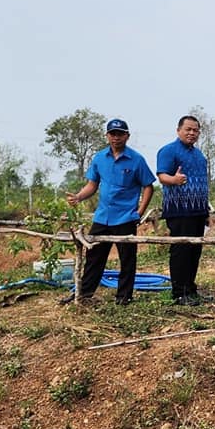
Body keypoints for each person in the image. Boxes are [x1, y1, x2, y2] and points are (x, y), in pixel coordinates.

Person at [65, 118, 155, 305]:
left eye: (120, 134)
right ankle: (83, 293)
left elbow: (148, 186)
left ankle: (123, 297)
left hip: (125, 217)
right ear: (107, 136)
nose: (116, 138)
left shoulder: (136, 160)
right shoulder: (99, 158)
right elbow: (92, 184)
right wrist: (79, 197)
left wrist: (139, 211)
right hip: (103, 216)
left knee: (127, 259)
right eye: (112, 134)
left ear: (127, 136)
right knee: (94, 257)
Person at [157, 115, 211, 305]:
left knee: (194, 251)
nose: (191, 133)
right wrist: (174, 180)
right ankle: (179, 293)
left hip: (198, 212)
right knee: (181, 251)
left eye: (195, 130)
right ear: (178, 130)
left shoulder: (199, 155)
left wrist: (206, 212)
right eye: (188, 129)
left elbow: (204, 183)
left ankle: (191, 289)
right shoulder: (168, 151)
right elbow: (162, 176)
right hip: (179, 210)